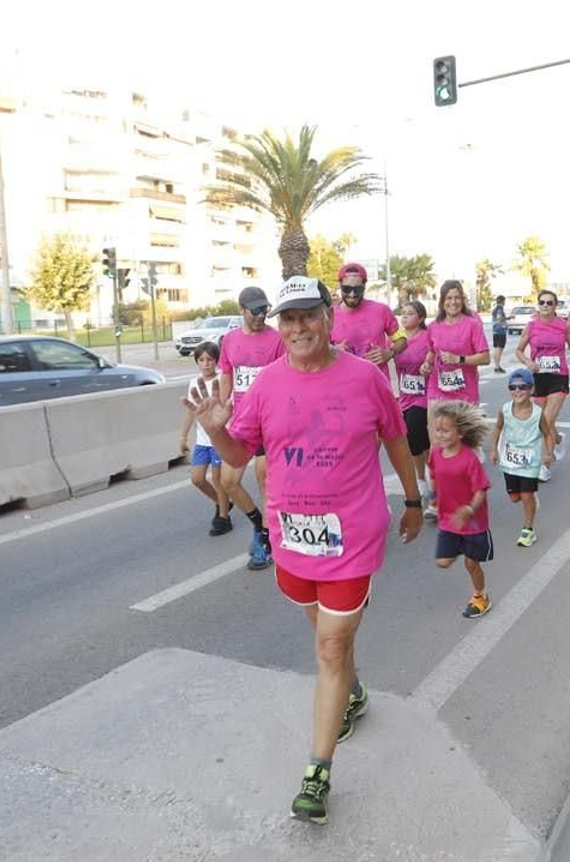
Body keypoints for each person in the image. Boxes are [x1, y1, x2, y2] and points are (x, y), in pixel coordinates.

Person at [185, 275, 423, 826]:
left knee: (331, 648)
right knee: (326, 638)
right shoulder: (266, 384)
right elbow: (239, 451)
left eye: (308, 316)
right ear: (279, 326)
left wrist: (413, 498)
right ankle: (352, 693)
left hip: (352, 538)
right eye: (288, 320)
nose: (298, 328)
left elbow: (393, 438)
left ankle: (317, 772)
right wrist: (215, 430)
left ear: (328, 317)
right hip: (292, 541)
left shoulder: (365, 379)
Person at [217, 286, 285, 570]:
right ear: (241, 310)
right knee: (228, 480)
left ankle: (267, 539)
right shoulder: (230, 340)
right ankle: (259, 524)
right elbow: (227, 374)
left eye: (264, 309)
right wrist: (222, 408)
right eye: (254, 310)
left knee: (264, 478)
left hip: (270, 420)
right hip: (242, 422)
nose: (260, 315)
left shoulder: (277, 339)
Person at [430, 400, 494, 619]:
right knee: (443, 562)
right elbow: (434, 475)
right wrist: (434, 497)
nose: (440, 435)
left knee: (471, 563)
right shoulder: (436, 454)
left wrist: (469, 508)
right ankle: (458, 546)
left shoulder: (469, 459)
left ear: (460, 433)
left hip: (473, 521)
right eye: (437, 430)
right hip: (449, 519)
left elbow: (481, 490)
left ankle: (481, 595)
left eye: (445, 430)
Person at [515, 288, 570, 480]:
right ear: (538, 304)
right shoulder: (531, 326)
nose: (545, 306)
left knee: (546, 421)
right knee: (545, 421)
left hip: (559, 376)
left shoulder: (563, 325)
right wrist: (528, 363)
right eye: (542, 302)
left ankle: (546, 463)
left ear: (555, 306)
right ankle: (557, 439)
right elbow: (518, 350)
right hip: (539, 377)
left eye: (549, 303)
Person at [489, 368, 555, 548]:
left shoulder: (537, 413)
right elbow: (497, 428)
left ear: (531, 390)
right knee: (515, 498)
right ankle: (531, 500)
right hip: (510, 461)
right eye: (513, 387)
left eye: (522, 387)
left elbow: (547, 434)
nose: (517, 391)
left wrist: (548, 453)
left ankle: (528, 530)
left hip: (530, 462)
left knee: (525, 496)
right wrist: (494, 449)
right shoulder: (505, 410)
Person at [179, 342, 230, 535]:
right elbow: (190, 413)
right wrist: (183, 436)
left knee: (218, 479)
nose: (206, 364)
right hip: (202, 441)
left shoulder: (221, 381)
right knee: (197, 478)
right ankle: (223, 502)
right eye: (201, 360)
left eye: (210, 359)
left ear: (216, 361)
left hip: (218, 439)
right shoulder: (194, 382)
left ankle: (223, 517)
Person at [394, 299, 437, 518]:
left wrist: (428, 365)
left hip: (425, 393)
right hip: (405, 396)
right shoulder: (398, 340)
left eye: (410, 313)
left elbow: (436, 356)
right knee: (412, 440)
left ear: (420, 318)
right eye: (403, 313)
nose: (405, 316)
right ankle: (423, 478)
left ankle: (431, 477)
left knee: (417, 432)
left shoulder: (426, 337)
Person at [427, 280, 490, 421]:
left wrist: (459, 359)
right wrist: (426, 365)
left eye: (457, 297)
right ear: (442, 301)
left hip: (465, 391)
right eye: (449, 298)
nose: (453, 302)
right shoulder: (433, 327)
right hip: (437, 388)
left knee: (466, 440)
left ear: (462, 300)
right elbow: (431, 351)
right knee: (436, 436)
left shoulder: (472, 325)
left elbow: (485, 357)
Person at [330, 262, 405, 380]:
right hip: (343, 385)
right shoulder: (329, 315)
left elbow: (402, 340)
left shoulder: (381, 310)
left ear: (364, 286)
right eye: (347, 288)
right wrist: (334, 351)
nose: (352, 294)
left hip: (376, 386)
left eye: (357, 289)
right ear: (340, 285)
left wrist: (389, 353)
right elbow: (317, 349)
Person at [489, 295, 509, 372]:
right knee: (499, 348)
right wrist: (503, 325)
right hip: (500, 331)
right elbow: (499, 318)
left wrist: (507, 318)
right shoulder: (500, 309)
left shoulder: (495, 309)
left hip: (495, 331)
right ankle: (497, 366)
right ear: (503, 301)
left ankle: (497, 365)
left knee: (497, 348)